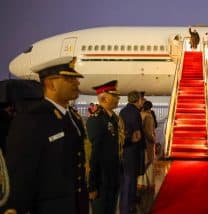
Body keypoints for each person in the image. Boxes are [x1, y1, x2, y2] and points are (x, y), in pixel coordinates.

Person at [2, 56, 89, 214]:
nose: (76, 83)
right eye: (69, 79)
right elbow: (21, 173)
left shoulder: (71, 117)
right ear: (51, 83)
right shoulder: (33, 119)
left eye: (75, 78)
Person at [86, 80, 121, 214]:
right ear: (104, 98)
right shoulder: (96, 120)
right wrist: (92, 185)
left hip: (113, 176)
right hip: (101, 179)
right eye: (115, 96)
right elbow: (94, 155)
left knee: (111, 209)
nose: (118, 98)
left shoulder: (113, 119)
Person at [119, 91, 145, 213]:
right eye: (141, 99)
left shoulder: (123, 111)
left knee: (126, 180)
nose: (142, 102)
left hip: (125, 149)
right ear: (137, 100)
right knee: (130, 180)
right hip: (133, 150)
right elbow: (137, 134)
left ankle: (126, 206)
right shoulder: (135, 113)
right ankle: (128, 207)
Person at [138, 100, 156, 189]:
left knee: (142, 161)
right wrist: (153, 139)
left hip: (139, 141)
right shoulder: (149, 116)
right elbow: (149, 131)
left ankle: (140, 182)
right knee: (149, 161)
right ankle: (147, 183)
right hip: (147, 142)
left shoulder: (139, 114)